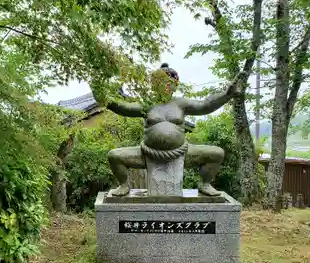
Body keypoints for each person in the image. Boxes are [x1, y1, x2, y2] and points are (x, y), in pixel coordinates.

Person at [95, 63, 246, 197]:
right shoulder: (147, 104)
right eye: (160, 82)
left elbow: (205, 105)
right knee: (114, 156)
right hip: (147, 153)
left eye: (168, 82)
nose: (164, 85)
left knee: (216, 153)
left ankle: (205, 184)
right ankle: (123, 185)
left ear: (175, 85)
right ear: (153, 85)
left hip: (181, 152)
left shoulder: (181, 103)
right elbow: (124, 108)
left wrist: (227, 95)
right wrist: (104, 98)